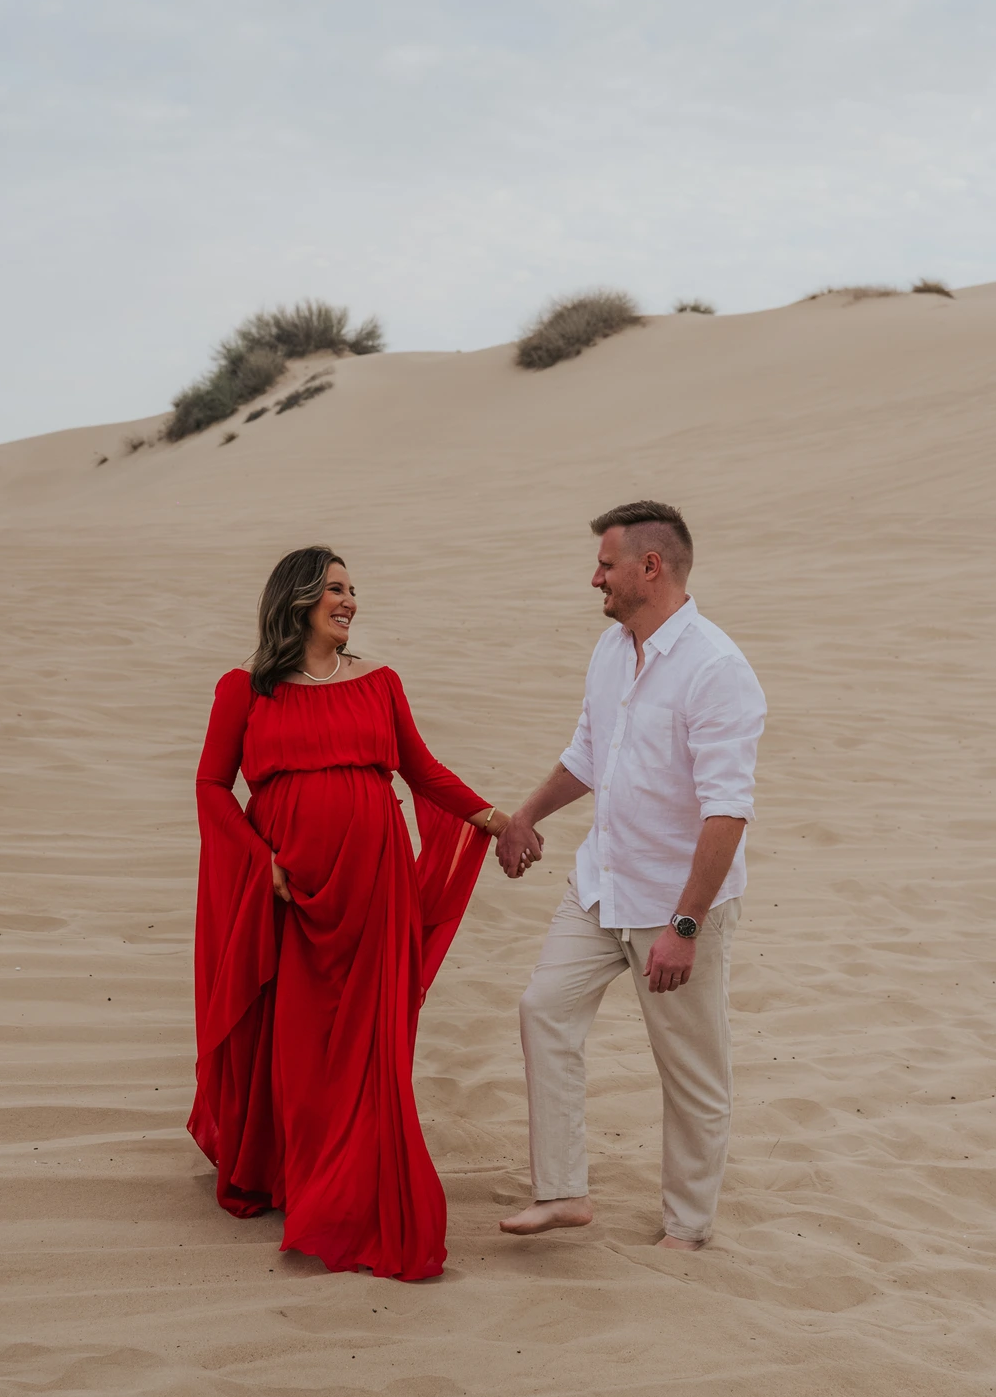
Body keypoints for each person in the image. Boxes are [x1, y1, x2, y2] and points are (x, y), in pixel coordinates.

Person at [190, 546, 510, 1281]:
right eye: (335, 588)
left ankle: (357, 1190)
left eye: (353, 590)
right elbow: (212, 786)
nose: (349, 601)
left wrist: (496, 820)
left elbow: (421, 770)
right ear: (297, 599)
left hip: (375, 889)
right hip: (292, 893)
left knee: (368, 1046)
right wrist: (255, 862)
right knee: (300, 1049)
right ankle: (299, 1179)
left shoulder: (380, 684)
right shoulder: (244, 690)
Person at [495, 501, 766, 1250]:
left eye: (605, 566)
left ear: (650, 566)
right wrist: (526, 816)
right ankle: (562, 1192)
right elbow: (588, 753)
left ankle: (686, 1229)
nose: (594, 580)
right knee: (543, 1008)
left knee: (689, 1070)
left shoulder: (716, 668)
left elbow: (725, 813)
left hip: (675, 905)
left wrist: (684, 926)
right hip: (598, 885)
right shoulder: (611, 650)